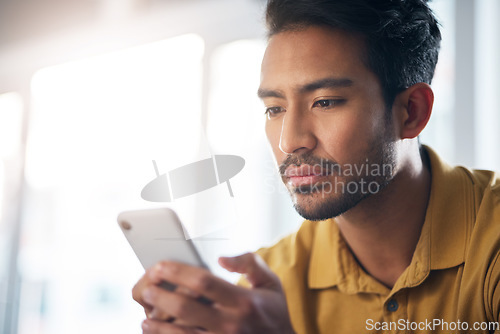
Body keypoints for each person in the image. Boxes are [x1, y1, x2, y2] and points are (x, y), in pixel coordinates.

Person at [132, 0, 500, 333]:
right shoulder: (268, 287)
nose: (289, 141)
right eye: (275, 108)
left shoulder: (492, 244)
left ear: (412, 112)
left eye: (324, 102)